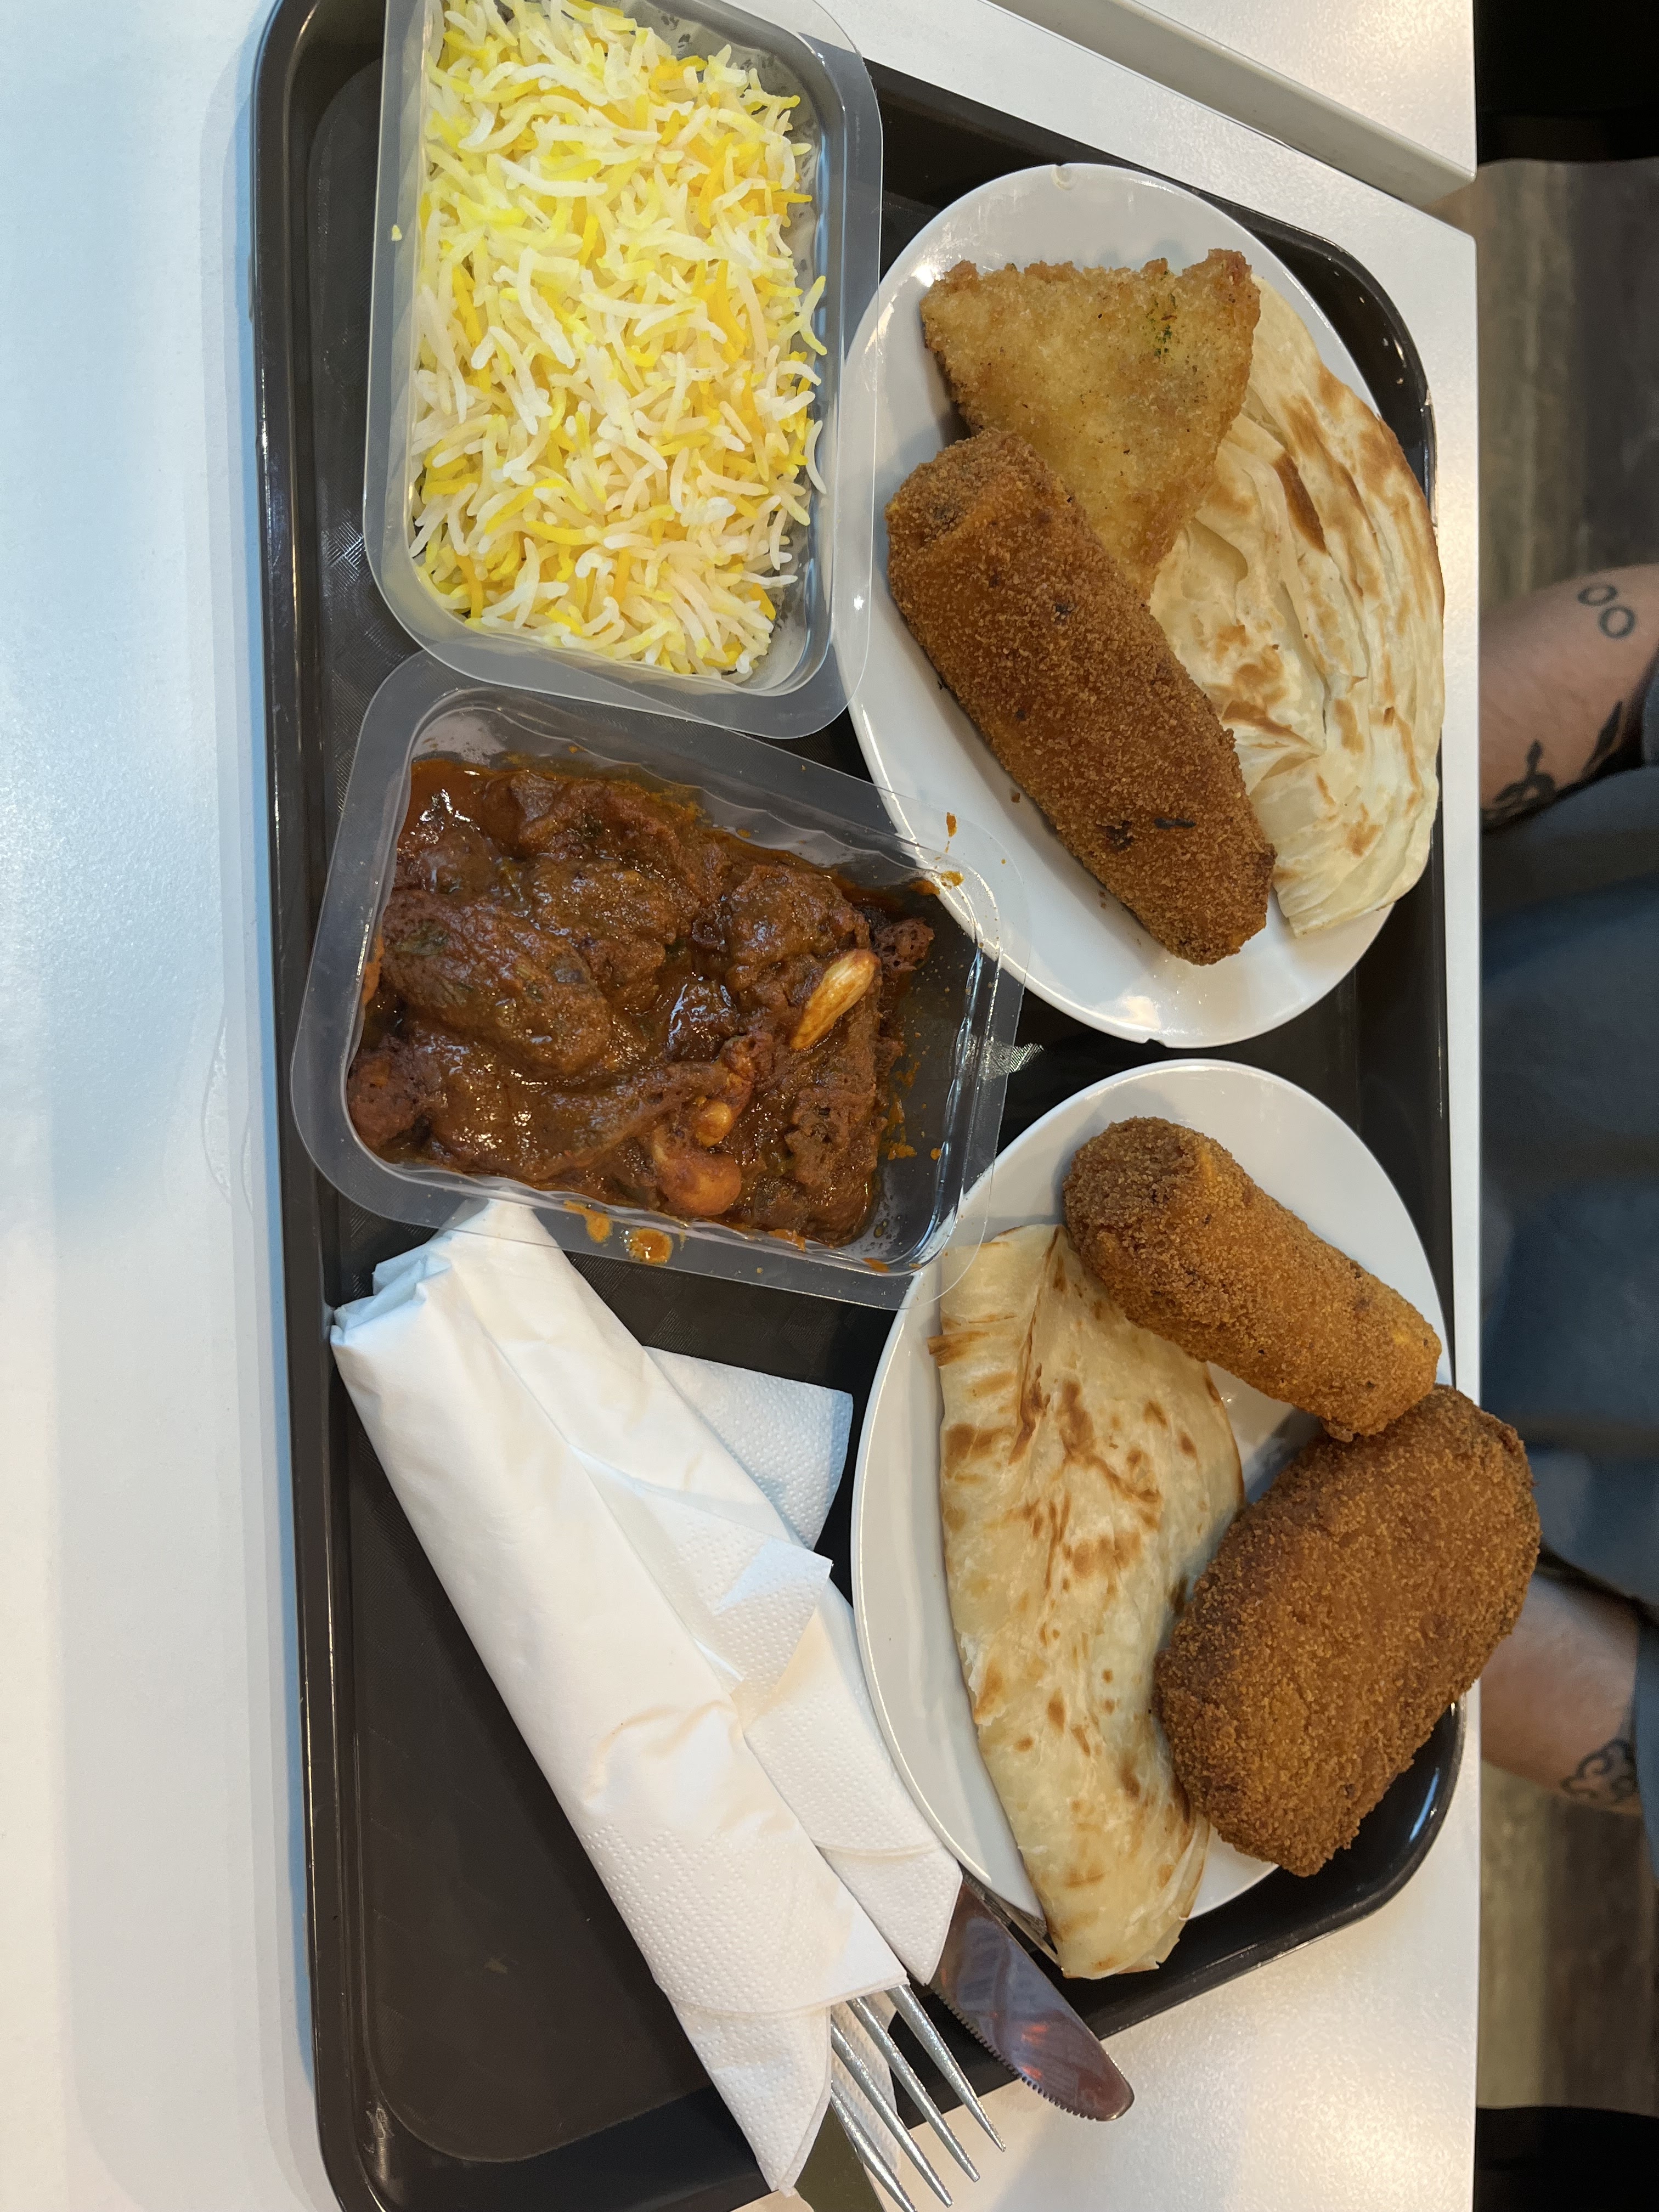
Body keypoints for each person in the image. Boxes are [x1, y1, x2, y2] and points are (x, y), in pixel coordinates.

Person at [1475, 563, 1659, 1868]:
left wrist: (1378, 1544)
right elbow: (1640, 658)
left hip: (1350, 1455)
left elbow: (1641, 1720)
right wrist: (1356, 828)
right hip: (1380, 930)